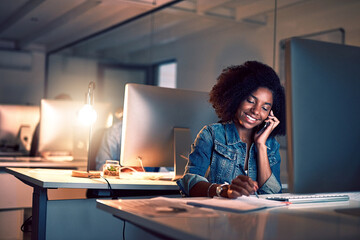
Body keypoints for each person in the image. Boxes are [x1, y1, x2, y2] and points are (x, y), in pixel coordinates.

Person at [176, 61, 286, 198]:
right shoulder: (212, 135)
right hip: (219, 216)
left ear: (271, 113)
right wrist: (223, 190)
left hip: (257, 217)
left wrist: (261, 145)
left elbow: (273, 195)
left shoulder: (270, 145)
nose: (256, 111)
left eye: (265, 107)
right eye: (251, 101)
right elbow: (189, 183)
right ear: (237, 97)